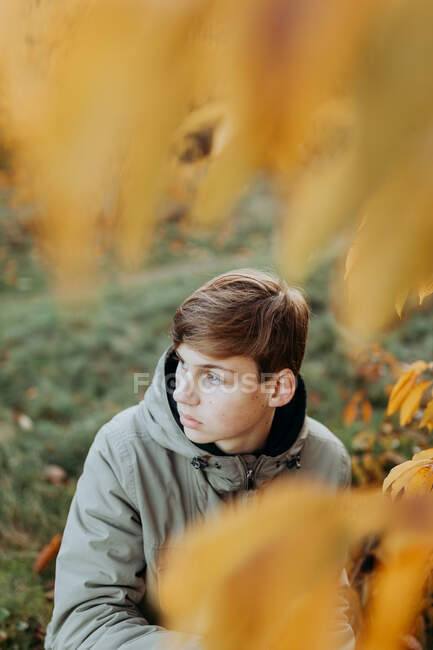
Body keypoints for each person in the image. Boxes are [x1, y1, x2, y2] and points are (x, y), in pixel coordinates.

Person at [44, 268, 355, 650]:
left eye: (213, 378)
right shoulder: (124, 452)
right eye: (183, 365)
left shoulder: (325, 460)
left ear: (277, 388)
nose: (182, 394)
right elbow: (83, 627)